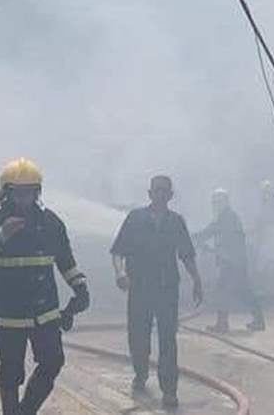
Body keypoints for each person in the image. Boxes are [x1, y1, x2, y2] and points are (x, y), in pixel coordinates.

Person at [0, 158, 90, 415]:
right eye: (18, 193)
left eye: (29, 193)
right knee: (11, 373)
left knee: (53, 362)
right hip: (7, 315)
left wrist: (80, 287)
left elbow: (65, 261)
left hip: (44, 313)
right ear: (6, 194)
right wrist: (1, 236)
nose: (24, 199)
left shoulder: (51, 223)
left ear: (37, 192)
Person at [110, 175, 203, 409]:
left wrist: (197, 279)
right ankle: (140, 373)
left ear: (170, 195)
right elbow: (118, 250)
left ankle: (169, 390)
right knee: (138, 335)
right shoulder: (135, 218)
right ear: (149, 193)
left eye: (165, 191)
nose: (160, 194)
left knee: (168, 339)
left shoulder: (176, 222)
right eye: (157, 190)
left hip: (166, 289)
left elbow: (186, 255)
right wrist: (120, 273)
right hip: (139, 288)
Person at [193, 189, 265, 333]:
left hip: (232, 262)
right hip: (233, 261)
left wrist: (196, 238)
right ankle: (257, 319)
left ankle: (222, 324)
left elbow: (212, 231)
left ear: (224, 202)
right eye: (214, 203)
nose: (215, 205)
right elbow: (213, 232)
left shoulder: (228, 217)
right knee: (242, 291)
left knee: (223, 291)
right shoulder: (225, 216)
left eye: (217, 202)